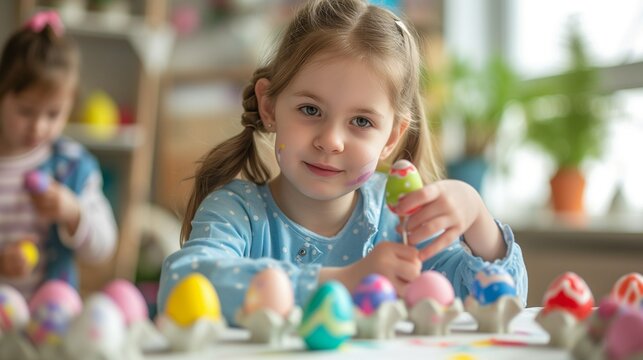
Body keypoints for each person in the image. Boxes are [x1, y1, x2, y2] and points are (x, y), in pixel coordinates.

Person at [158, 0, 527, 324]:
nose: (331, 141)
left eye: (362, 122)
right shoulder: (237, 211)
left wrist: (478, 218)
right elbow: (182, 284)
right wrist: (345, 281)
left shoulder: (400, 219)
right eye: (310, 109)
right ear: (270, 107)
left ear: (391, 138)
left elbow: (506, 302)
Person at [0, 11, 117, 297]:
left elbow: (104, 247)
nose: (38, 126)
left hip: (48, 320)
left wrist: (73, 212)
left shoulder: (72, 167)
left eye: (53, 114)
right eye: (26, 111)